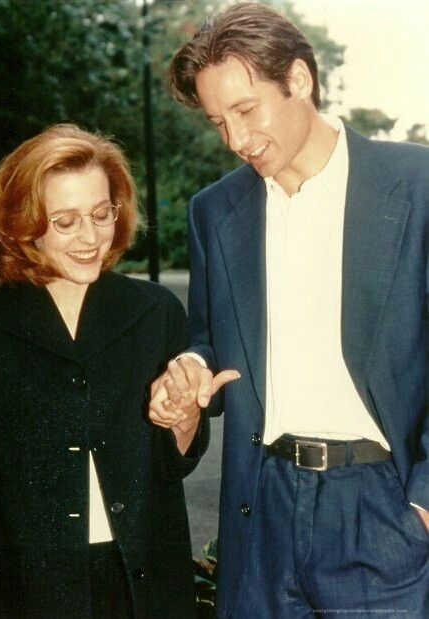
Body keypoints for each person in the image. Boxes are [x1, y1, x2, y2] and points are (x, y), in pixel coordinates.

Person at [149, 3, 429, 617]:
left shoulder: (417, 186)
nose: (238, 140)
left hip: (383, 509)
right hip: (261, 509)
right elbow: (212, 338)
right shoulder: (214, 211)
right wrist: (193, 368)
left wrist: (424, 500)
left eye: (248, 111)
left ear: (299, 80)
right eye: (220, 122)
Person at [0, 124, 206, 618]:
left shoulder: (156, 312)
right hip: (30, 588)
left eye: (101, 213)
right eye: (65, 222)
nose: (91, 237)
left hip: (142, 582)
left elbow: (177, 464)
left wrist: (184, 419)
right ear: (25, 224)